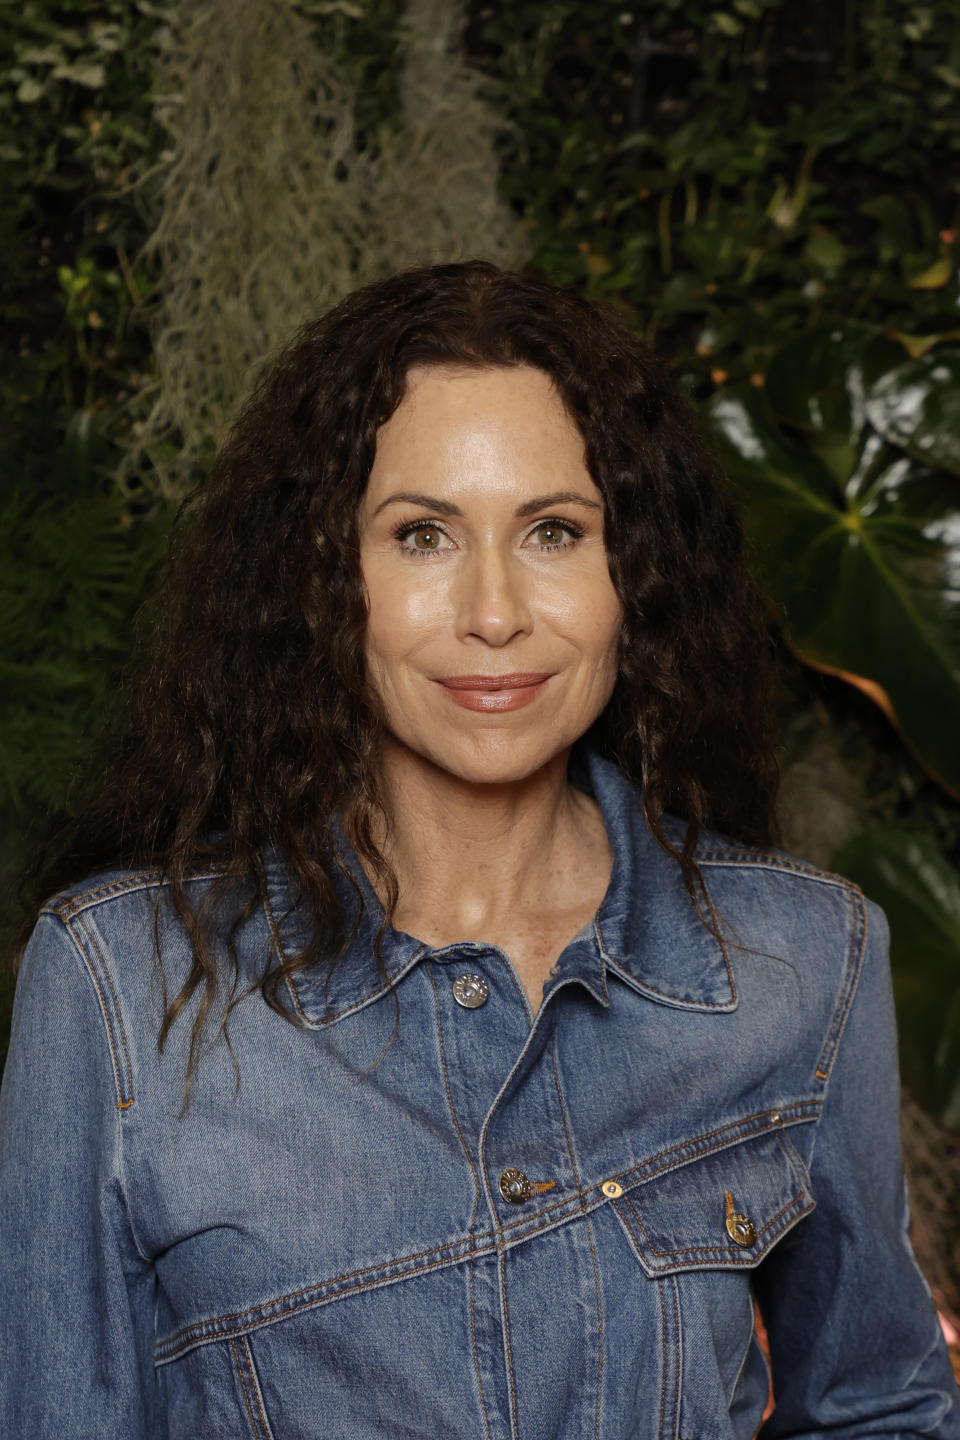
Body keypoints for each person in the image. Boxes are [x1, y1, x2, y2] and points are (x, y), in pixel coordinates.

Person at [0, 260, 957, 1440]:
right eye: (422, 536)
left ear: (631, 577)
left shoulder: (803, 959)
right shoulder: (121, 986)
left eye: (554, 530)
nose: (495, 611)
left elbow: (882, 1408)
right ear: (324, 578)